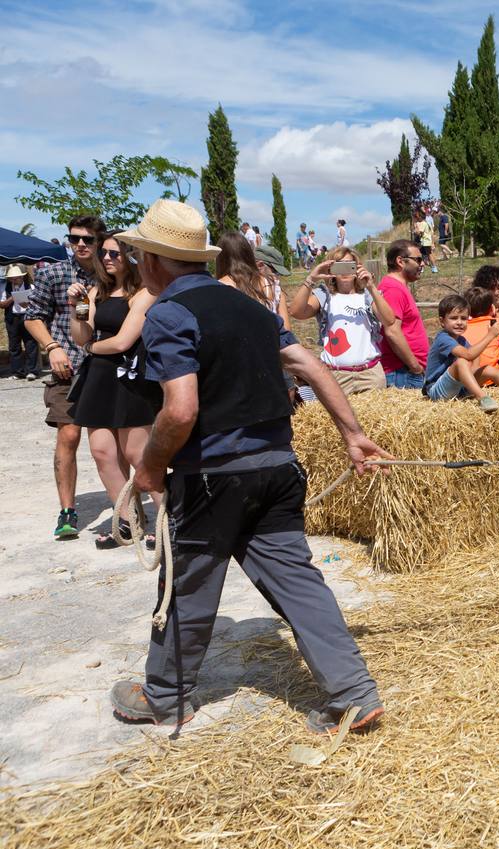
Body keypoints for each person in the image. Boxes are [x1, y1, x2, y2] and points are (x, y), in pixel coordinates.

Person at [110, 198, 389, 734]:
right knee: (299, 581)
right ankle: (352, 694)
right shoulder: (254, 309)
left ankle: (165, 694)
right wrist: (353, 434)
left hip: (211, 477)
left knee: (187, 584)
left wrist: (148, 468)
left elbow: (181, 408)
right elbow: (308, 363)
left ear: (153, 262)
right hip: (278, 469)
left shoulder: (169, 314)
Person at [67, 236, 162, 548]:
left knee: (138, 454)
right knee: (102, 453)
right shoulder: (96, 292)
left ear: (131, 257)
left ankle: (168, 518)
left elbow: (123, 341)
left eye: (115, 253)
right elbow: (81, 335)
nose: (107, 258)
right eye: (104, 252)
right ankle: (127, 520)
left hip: (130, 377)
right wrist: (78, 306)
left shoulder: (145, 292)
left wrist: (93, 347)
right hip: (99, 378)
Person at [25, 213, 103, 539]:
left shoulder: (112, 274)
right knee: (68, 437)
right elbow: (33, 318)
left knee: (109, 446)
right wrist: (52, 347)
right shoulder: (54, 274)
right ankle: (67, 511)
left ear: (99, 240)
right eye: (74, 239)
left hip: (105, 368)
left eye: (87, 239)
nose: (80, 244)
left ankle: (128, 509)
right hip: (67, 367)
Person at [289, 247, 418, 395]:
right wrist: (311, 278)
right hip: (336, 375)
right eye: (339, 265)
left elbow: (389, 320)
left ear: (357, 268)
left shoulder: (367, 295)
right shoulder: (324, 295)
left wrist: (371, 286)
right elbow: (296, 312)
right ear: (331, 269)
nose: (345, 271)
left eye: (349, 265)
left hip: (370, 374)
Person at [378, 239, 429, 389]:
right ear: (400, 261)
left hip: (406, 371)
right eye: (418, 259)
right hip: (403, 373)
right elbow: (392, 331)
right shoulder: (393, 289)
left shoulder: (397, 287)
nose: (422, 264)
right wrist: (415, 367)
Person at [215, 232, 292, 332]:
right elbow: (286, 331)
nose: (276, 277)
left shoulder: (218, 288)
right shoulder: (273, 286)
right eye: (275, 272)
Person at [3, 265, 39, 379]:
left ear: (22, 277)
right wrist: (13, 298)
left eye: (16, 278)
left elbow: (38, 303)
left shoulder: (31, 287)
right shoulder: (6, 288)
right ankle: (18, 372)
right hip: (12, 318)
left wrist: (27, 304)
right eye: (12, 278)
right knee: (14, 345)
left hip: (27, 316)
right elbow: (2, 304)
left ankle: (31, 371)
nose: (14, 280)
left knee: (30, 343)